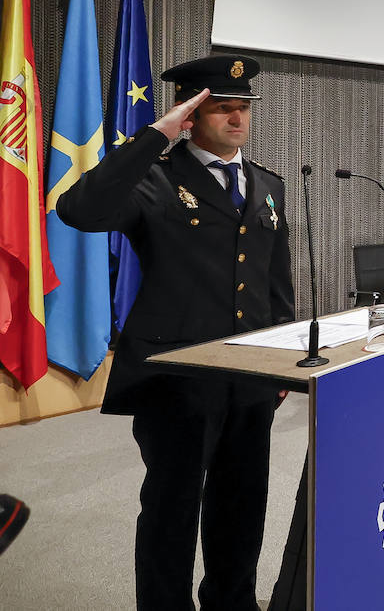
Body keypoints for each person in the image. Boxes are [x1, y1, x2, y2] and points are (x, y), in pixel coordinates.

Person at [56, 55, 293, 611]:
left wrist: (280, 361)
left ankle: (232, 601)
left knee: (242, 502)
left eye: (244, 109)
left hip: (252, 374)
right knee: (172, 509)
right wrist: (155, 137)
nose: (237, 118)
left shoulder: (266, 185)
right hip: (178, 377)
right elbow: (77, 210)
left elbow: (274, 282)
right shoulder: (156, 180)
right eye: (221, 108)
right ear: (190, 115)